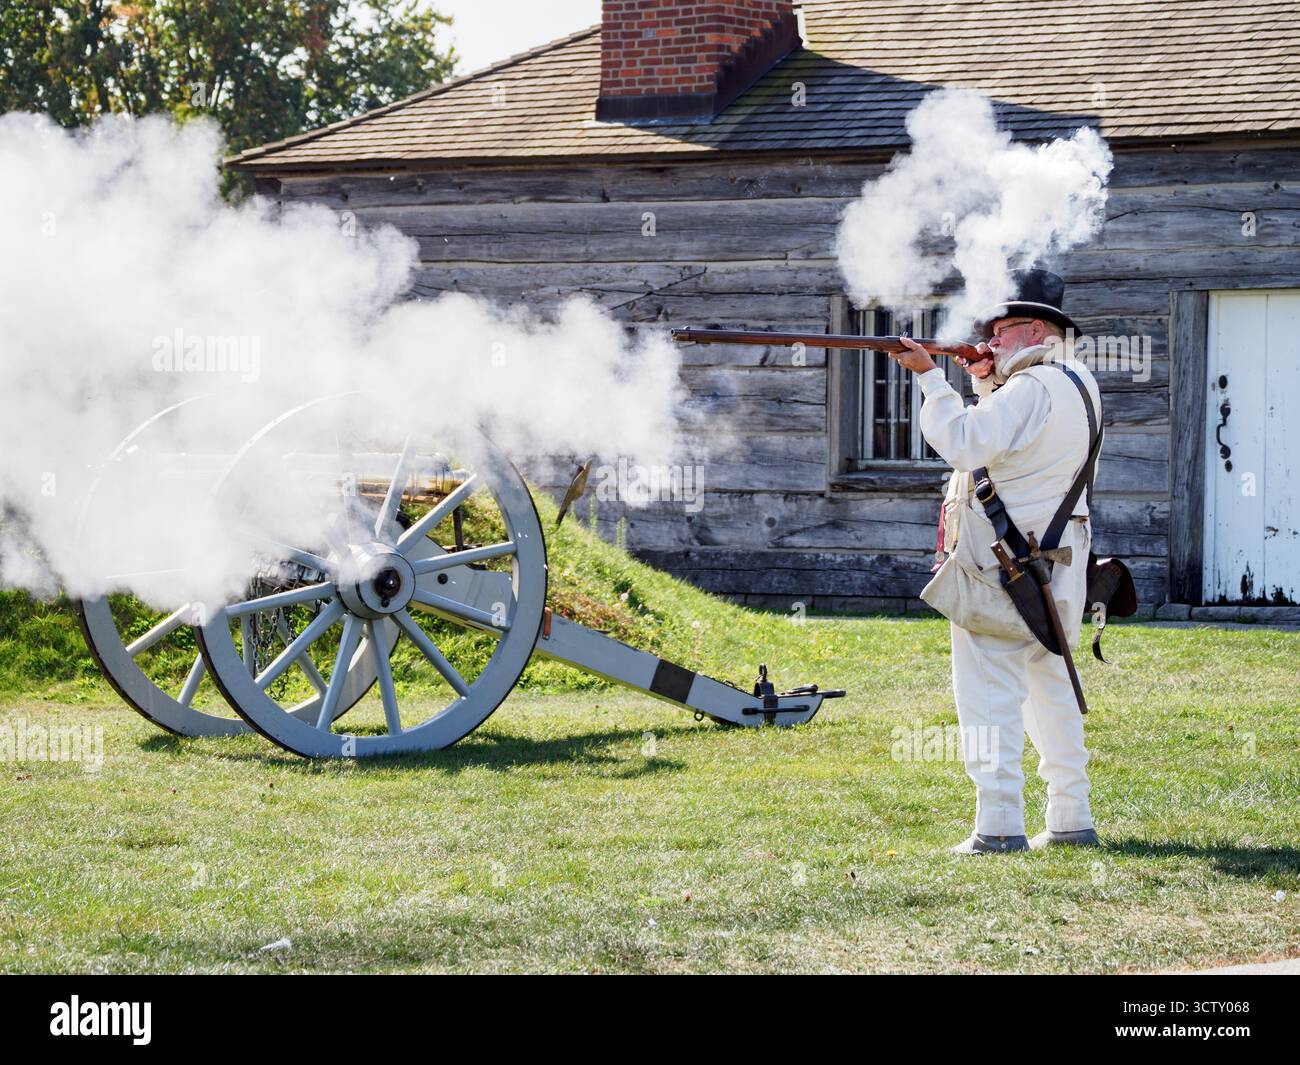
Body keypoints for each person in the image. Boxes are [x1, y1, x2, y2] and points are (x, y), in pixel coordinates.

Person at [893, 270, 1102, 854]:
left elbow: (965, 443)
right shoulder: (1074, 381)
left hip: (1004, 568)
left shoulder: (1030, 388)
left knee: (988, 695)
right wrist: (987, 383)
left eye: (1001, 330)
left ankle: (999, 825)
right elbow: (1013, 446)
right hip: (1057, 564)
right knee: (1052, 689)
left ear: (1037, 329)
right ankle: (1070, 817)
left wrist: (933, 381)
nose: (989, 339)